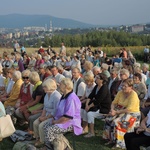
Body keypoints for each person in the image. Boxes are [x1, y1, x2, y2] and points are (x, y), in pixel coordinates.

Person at [103, 78, 141, 149]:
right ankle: (110, 139)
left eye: (125, 86)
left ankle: (119, 142)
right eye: (122, 86)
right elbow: (114, 102)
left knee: (117, 122)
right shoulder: (120, 92)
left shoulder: (133, 95)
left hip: (132, 114)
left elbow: (129, 109)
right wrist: (112, 110)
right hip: (121, 110)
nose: (123, 87)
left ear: (131, 87)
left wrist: (116, 112)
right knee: (108, 119)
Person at [43, 78, 82, 145]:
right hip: (61, 120)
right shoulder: (64, 95)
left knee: (50, 129)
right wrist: (54, 119)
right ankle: (51, 146)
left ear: (66, 86)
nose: (58, 85)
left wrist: (55, 122)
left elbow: (67, 117)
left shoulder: (71, 98)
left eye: (60, 84)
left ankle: (53, 146)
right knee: (45, 125)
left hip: (70, 123)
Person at [82, 73, 111, 138]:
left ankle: (92, 132)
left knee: (90, 114)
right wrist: (87, 104)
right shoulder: (96, 86)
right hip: (97, 106)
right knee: (84, 110)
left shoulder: (104, 88)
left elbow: (98, 101)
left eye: (97, 78)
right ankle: (85, 128)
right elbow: (90, 96)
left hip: (104, 108)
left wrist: (89, 106)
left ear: (102, 80)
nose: (96, 79)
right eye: (96, 77)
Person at [33, 79, 61, 147]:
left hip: (53, 116)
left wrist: (45, 118)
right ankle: (38, 138)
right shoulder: (47, 94)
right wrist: (42, 116)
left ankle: (43, 141)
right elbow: (45, 107)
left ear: (49, 86)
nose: (43, 88)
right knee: (35, 122)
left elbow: (55, 111)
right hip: (46, 114)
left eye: (44, 87)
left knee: (41, 125)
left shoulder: (56, 96)